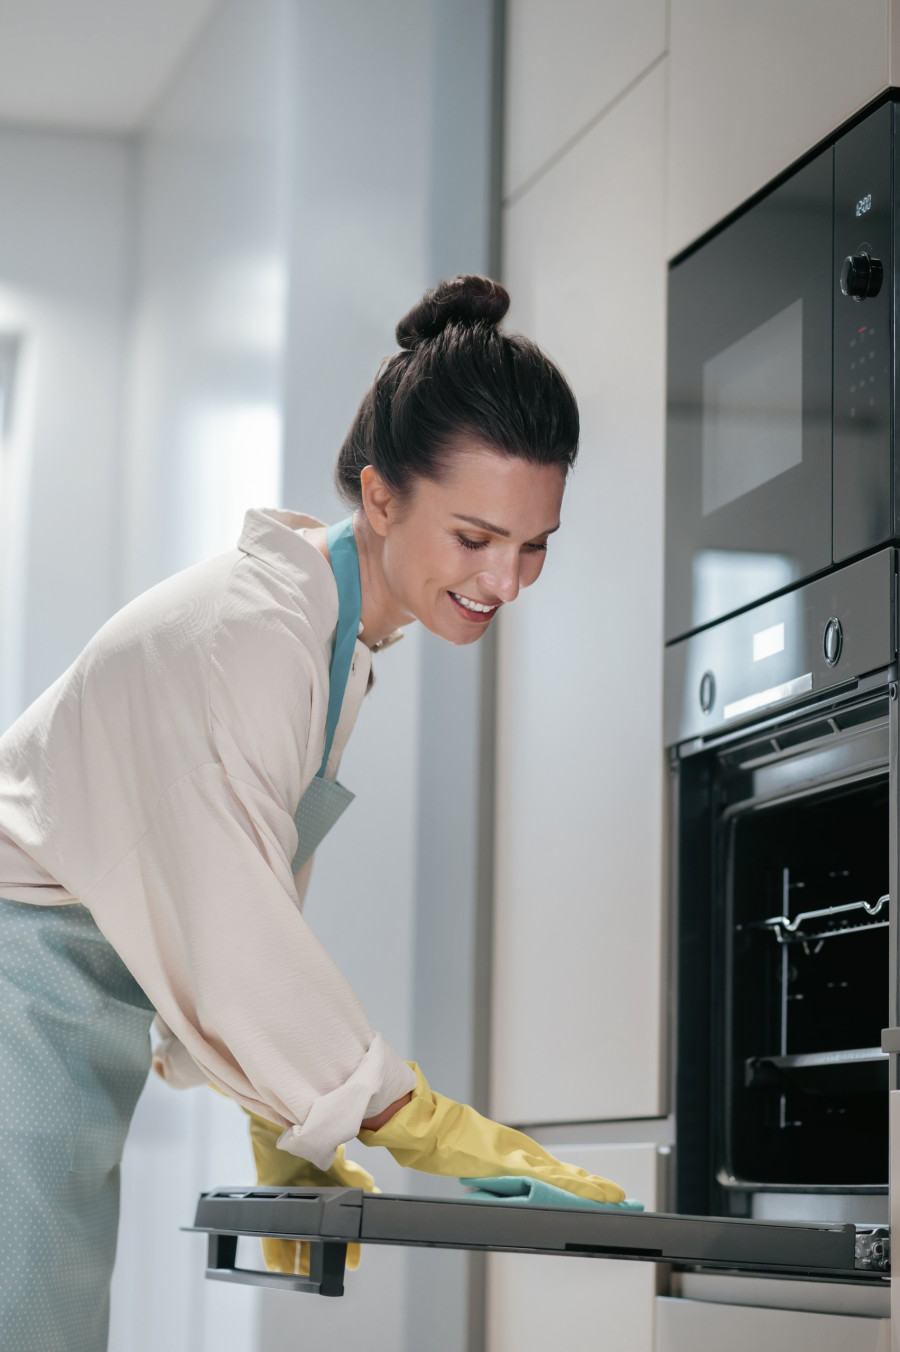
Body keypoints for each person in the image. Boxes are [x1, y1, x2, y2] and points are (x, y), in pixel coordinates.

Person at [0, 274, 625, 1351]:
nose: (506, 580)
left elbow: (233, 893)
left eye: (533, 546)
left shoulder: (328, 640)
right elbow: (234, 931)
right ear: (381, 497)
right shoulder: (252, 636)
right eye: (476, 536)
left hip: (62, 1015)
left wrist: (282, 1109)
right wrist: (417, 1122)